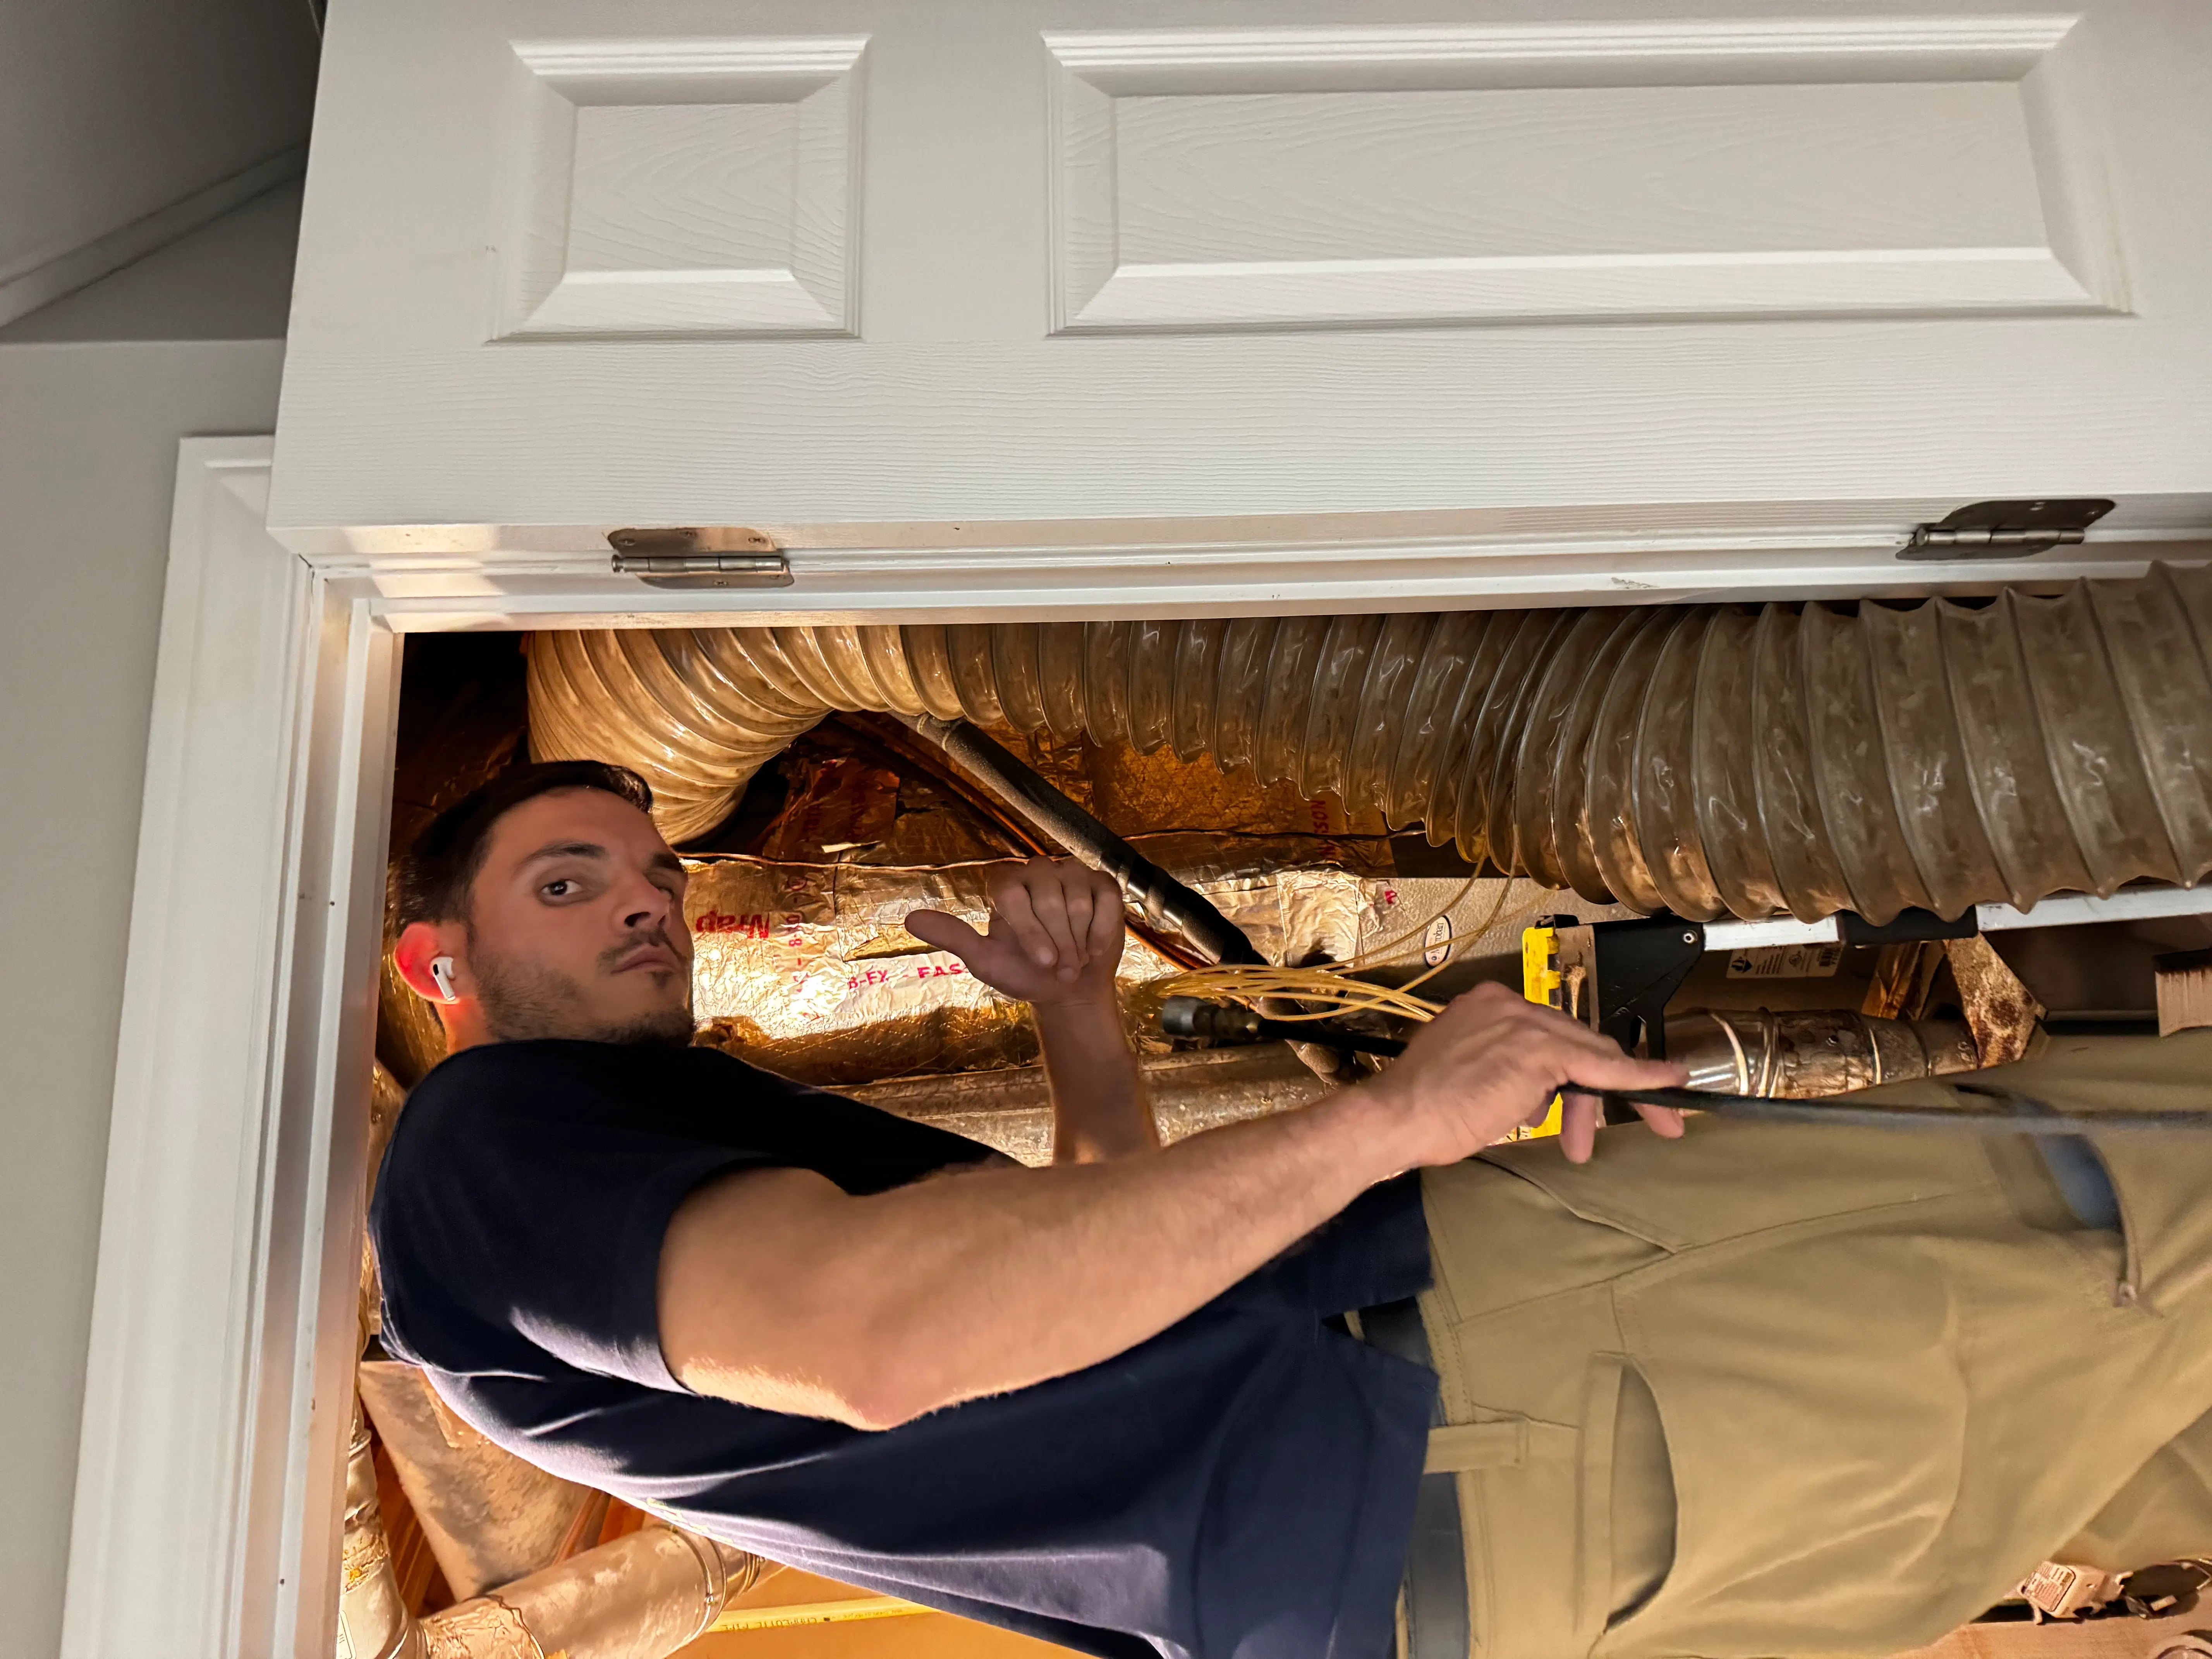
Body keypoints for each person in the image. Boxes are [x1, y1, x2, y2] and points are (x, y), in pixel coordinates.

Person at [371, 760, 2212, 1659]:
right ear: (437, 960)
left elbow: (1089, 1298)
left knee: (2151, 1416)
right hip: (1473, 1402)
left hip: (1463, 1522)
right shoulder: (484, 1145)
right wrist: (1397, 1117)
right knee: (2118, 1201)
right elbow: (892, 1339)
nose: (646, 904)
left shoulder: (632, 1142)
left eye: (653, 870)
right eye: (568, 880)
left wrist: (1081, 1023)